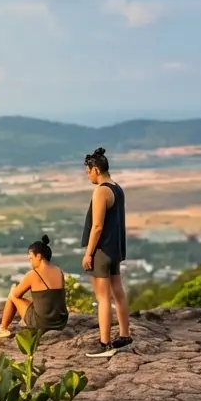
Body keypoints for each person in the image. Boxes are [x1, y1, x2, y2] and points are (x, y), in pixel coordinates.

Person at [81, 147, 133, 357]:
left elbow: (97, 227)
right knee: (117, 292)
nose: (87, 175)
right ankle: (124, 336)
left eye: (88, 171)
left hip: (102, 250)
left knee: (103, 298)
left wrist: (89, 253)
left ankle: (104, 343)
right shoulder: (117, 188)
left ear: (95, 169)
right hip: (115, 249)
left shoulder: (101, 190)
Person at [0, 235, 68, 337]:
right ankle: (21, 321)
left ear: (38, 256)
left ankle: (2, 329)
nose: (30, 261)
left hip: (42, 324)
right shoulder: (59, 271)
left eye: (31, 258)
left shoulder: (33, 274)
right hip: (60, 322)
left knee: (12, 294)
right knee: (34, 298)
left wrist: (13, 289)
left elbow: (16, 294)